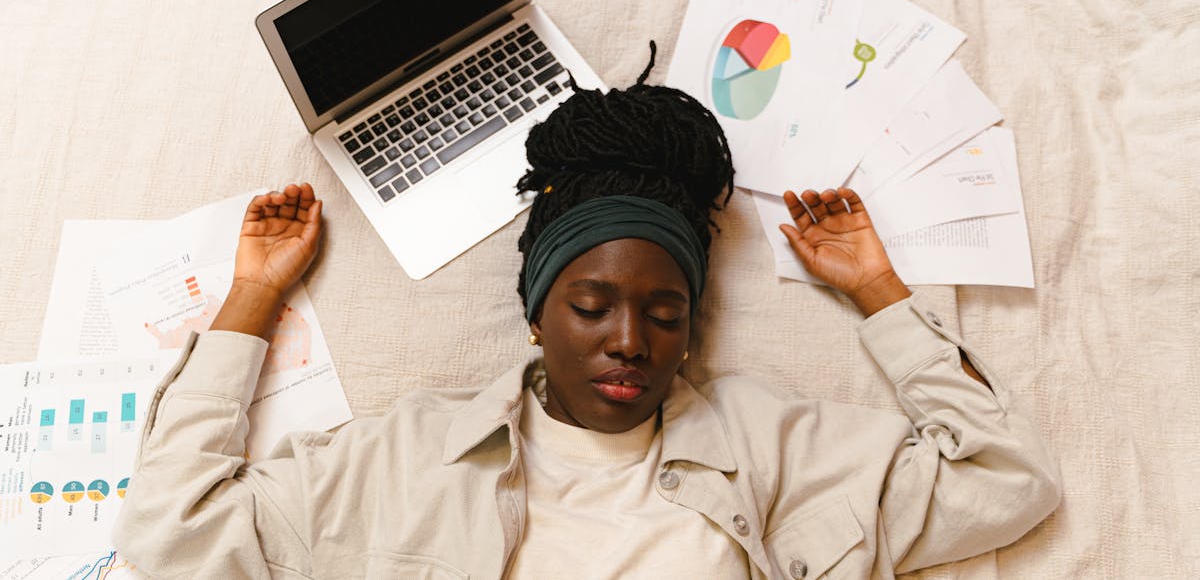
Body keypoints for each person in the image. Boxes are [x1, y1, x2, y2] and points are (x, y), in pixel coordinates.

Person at [112, 58, 1060, 578]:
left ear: (692, 327)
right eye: (592, 304)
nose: (629, 341)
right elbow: (172, 538)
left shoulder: (779, 450)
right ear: (536, 315)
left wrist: (879, 295)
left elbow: (1009, 479)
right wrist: (251, 301)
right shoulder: (399, 461)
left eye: (664, 311)